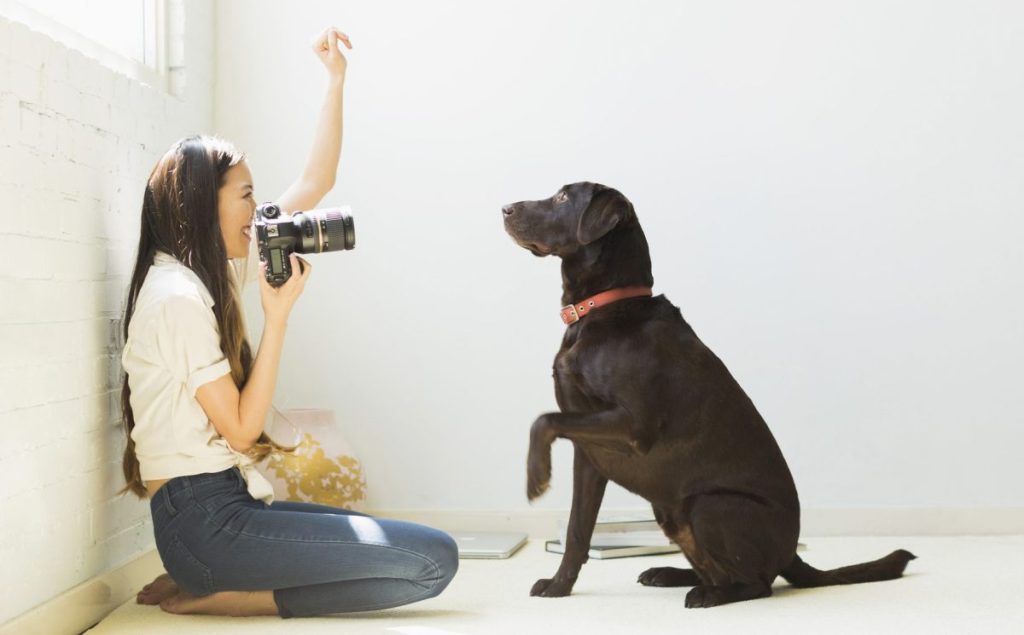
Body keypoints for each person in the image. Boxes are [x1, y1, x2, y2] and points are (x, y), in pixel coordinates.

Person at [119, 28, 458, 618]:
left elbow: (316, 182)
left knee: (414, 547)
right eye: (247, 197)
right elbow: (244, 431)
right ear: (204, 205)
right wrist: (277, 320)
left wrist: (335, 79)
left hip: (226, 504)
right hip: (204, 526)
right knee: (433, 562)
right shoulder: (175, 295)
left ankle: (222, 584)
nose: (260, 212)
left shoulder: (203, 271)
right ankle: (231, 598)